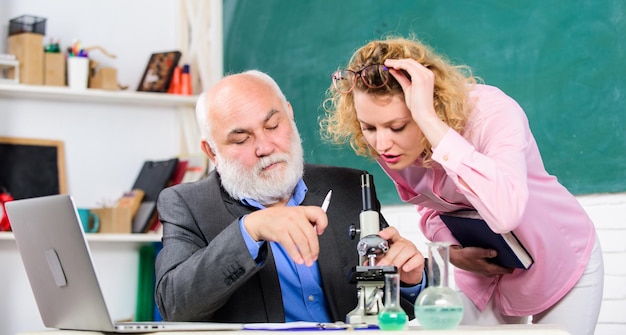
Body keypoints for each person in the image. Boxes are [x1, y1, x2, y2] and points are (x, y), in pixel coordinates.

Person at [320, 36, 603, 335]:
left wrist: (429, 121)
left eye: (398, 126)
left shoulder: (493, 113)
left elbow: (506, 211)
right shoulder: (391, 148)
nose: (382, 143)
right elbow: (431, 209)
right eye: (369, 127)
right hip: (487, 274)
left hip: (558, 258)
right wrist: (453, 252)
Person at [154, 69, 426, 323]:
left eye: (273, 126)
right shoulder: (187, 205)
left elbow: (387, 312)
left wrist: (410, 283)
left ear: (290, 115)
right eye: (241, 140)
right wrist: (250, 230)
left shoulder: (349, 187)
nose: (265, 147)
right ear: (212, 151)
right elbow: (174, 305)